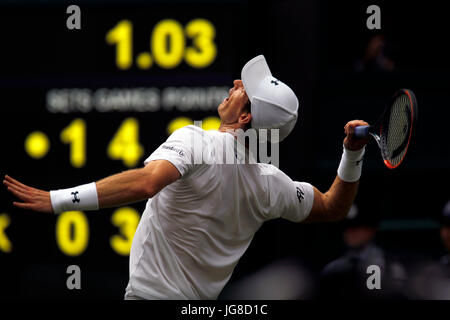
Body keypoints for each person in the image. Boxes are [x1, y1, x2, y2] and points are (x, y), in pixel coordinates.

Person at [3, 55, 369, 300]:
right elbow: (333, 207)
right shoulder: (272, 185)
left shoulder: (196, 139)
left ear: (244, 117)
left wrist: (57, 200)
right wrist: (353, 154)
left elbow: (147, 183)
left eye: (244, 90)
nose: (236, 83)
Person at [320, 204, 407, 299]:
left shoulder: (388, 266)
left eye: (356, 227)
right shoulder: (334, 268)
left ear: (371, 230)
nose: (350, 232)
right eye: (346, 227)